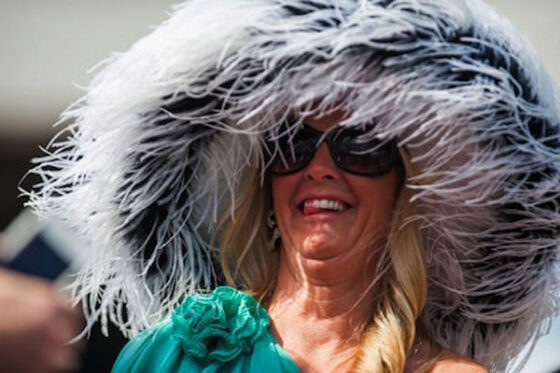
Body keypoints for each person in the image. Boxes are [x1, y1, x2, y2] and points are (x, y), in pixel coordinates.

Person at [26, 0, 560, 372]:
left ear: (403, 192)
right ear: (266, 183)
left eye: (360, 144)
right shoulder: (169, 354)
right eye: (293, 143)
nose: (321, 166)